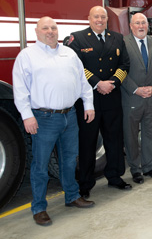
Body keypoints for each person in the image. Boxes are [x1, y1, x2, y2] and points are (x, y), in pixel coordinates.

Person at [13, 17, 95, 226]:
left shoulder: (69, 53)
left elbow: (82, 82)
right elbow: (20, 89)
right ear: (36, 31)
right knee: (40, 165)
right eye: (45, 28)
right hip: (43, 118)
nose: (50, 31)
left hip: (70, 116)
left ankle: (72, 196)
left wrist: (88, 105)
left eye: (53, 28)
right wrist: (27, 115)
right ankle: (39, 207)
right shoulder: (27, 56)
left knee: (69, 160)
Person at [67, 6, 131, 197]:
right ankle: (85, 183)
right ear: (89, 18)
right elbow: (77, 67)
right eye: (96, 16)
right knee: (87, 143)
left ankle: (115, 176)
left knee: (114, 140)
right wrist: (97, 83)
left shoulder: (117, 38)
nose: (100, 20)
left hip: (112, 96)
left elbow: (124, 64)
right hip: (89, 100)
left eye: (103, 17)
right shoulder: (77, 38)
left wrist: (113, 82)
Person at [121, 13, 152, 184]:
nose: (141, 26)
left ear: (148, 25)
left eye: (144, 23)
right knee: (131, 135)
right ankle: (135, 169)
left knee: (150, 134)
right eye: (137, 23)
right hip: (131, 98)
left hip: (151, 98)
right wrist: (135, 89)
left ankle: (148, 167)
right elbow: (120, 71)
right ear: (131, 25)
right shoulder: (123, 43)